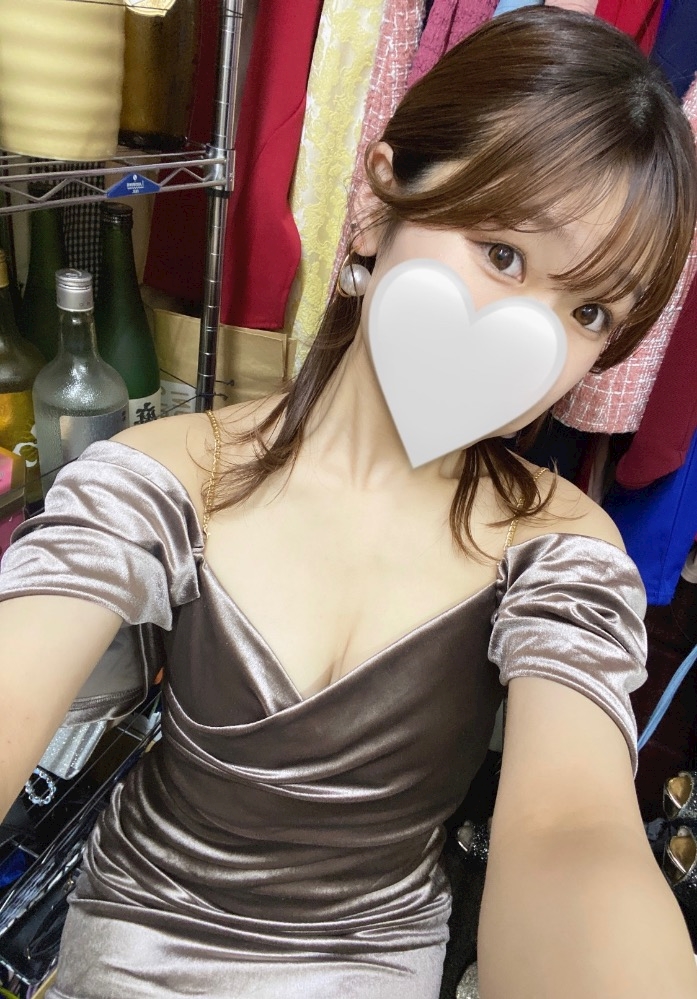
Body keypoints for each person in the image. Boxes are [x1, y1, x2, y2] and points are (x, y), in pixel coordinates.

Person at [2, 8, 697, 998]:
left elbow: (572, 826)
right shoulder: (169, 472)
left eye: (587, 311)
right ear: (375, 205)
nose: (531, 342)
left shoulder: (558, 545)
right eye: (502, 254)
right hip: (128, 950)